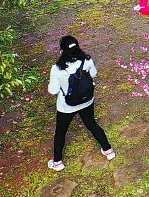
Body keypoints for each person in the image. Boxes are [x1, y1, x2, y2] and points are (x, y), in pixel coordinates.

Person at [47, 36, 115, 171]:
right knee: (92, 124)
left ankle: (58, 162)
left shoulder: (57, 69)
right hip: (86, 100)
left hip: (66, 106)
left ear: (62, 51)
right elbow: (94, 74)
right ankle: (108, 150)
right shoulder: (87, 60)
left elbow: (53, 90)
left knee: (61, 132)